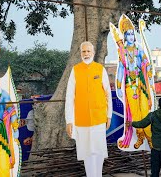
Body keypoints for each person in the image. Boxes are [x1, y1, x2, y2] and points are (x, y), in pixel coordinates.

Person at [65, 41, 113, 177]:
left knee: (98, 151)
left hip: (99, 118)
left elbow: (108, 94)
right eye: (83, 51)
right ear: (80, 53)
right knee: (86, 152)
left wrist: (108, 115)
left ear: (93, 53)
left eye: (88, 51)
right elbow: (69, 97)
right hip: (81, 120)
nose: (86, 54)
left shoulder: (100, 69)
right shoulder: (75, 70)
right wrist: (69, 120)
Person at [111, 14, 154, 149]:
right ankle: (140, 137)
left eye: (132, 34)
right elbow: (120, 70)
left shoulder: (139, 48)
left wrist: (147, 67)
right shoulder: (122, 52)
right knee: (135, 114)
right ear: (124, 36)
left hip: (141, 84)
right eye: (128, 34)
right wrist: (118, 85)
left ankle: (150, 137)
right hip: (130, 85)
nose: (130, 36)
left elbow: (146, 62)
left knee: (145, 112)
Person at [126, 96, 161, 177]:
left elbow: (142, 124)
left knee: (155, 172)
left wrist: (132, 123)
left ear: (159, 104)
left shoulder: (153, 115)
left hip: (157, 149)